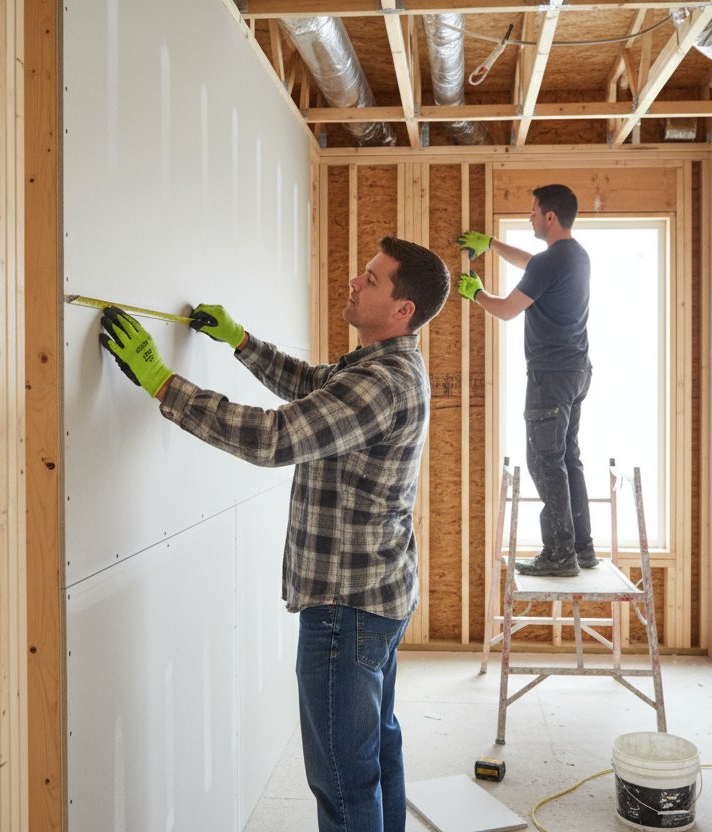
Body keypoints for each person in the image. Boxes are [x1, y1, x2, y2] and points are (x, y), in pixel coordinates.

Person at [99, 236, 450, 832]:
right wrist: (242, 343)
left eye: (370, 278)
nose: (354, 281)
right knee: (374, 754)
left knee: (343, 779)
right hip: (377, 596)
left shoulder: (382, 381)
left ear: (401, 310)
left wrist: (164, 384)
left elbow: (274, 439)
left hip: (348, 607)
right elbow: (312, 386)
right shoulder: (376, 365)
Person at [457, 184, 597, 578]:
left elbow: (504, 310)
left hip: (549, 378)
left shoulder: (549, 263)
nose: (530, 217)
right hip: (577, 372)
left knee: (544, 462)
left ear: (550, 217)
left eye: (533, 211)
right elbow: (533, 265)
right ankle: (582, 549)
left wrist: (477, 293)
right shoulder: (574, 256)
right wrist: (493, 245)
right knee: (568, 458)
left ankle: (558, 554)